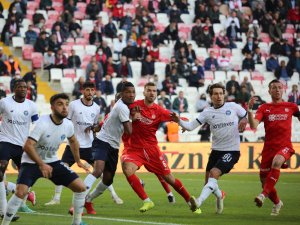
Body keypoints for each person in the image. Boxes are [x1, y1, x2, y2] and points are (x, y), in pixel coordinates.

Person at [1, 93, 90, 225]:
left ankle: (76, 222)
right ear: (52, 107)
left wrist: (77, 160)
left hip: (53, 162)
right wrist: (41, 164)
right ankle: (5, 223)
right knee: (21, 192)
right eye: (60, 104)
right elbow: (28, 146)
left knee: (81, 187)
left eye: (66, 104)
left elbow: (73, 141)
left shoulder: (68, 125)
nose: (65, 108)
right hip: (31, 162)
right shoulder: (42, 123)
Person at [171, 83, 248, 214]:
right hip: (216, 151)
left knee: (214, 173)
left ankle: (198, 202)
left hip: (232, 150)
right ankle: (220, 195)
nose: (219, 96)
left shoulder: (233, 107)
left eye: (221, 93)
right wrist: (178, 120)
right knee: (208, 183)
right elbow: (190, 127)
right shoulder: (207, 112)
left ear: (224, 94)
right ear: (211, 96)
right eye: (215, 94)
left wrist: (245, 119)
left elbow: (246, 115)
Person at [121, 82, 197, 213]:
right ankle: (147, 201)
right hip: (134, 149)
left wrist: (184, 124)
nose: (152, 93)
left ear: (156, 94)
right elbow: (117, 115)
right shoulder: (134, 106)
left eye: (154, 91)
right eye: (149, 90)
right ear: (144, 92)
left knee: (170, 179)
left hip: (152, 151)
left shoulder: (159, 110)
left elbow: (175, 117)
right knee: (127, 169)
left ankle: (190, 200)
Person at [45, 82, 123, 207]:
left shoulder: (96, 107)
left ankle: (114, 195)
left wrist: (92, 128)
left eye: (92, 90)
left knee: (101, 171)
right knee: (62, 168)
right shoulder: (73, 105)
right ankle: (56, 198)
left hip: (90, 145)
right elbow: (67, 122)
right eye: (87, 90)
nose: (90, 92)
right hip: (73, 145)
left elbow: (95, 125)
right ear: (83, 91)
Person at [75, 82, 136, 214]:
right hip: (102, 141)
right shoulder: (123, 108)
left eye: (133, 92)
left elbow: (104, 123)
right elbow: (129, 131)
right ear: (121, 95)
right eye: (128, 92)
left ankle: (88, 200)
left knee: (108, 179)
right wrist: (135, 118)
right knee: (98, 170)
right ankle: (78, 202)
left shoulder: (123, 106)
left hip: (113, 146)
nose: (131, 95)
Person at [247, 79, 300, 216]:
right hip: (268, 148)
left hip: (285, 146)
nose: (277, 90)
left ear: (283, 90)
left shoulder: (292, 106)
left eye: (279, 87)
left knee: (277, 162)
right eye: (274, 88)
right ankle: (277, 203)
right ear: (269, 91)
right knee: (264, 180)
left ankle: (262, 195)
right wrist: (249, 111)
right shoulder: (264, 108)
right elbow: (253, 125)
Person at [0, 79, 39, 220]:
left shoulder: (32, 106)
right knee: (1, 168)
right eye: (20, 87)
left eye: (25, 87)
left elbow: (37, 124)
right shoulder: (4, 103)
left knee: (26, 175)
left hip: (22, 145)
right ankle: (3, 210)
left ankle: (21, 201)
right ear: (14, 89)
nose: (23, 89)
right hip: (5, 141)